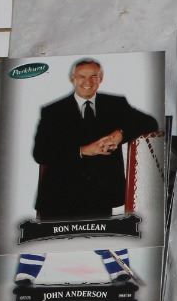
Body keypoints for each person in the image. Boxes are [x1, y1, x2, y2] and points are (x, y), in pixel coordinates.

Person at [30, 59, 160, 219]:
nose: (88, 82)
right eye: (82, 76)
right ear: (72, 78)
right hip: (59, 197)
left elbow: (150, 123)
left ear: (101, 78)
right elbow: (40, 153)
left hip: (100, 198)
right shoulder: (52, 111)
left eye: (94, 76)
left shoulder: (116, 104)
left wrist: (120, 134)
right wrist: (83, 150)